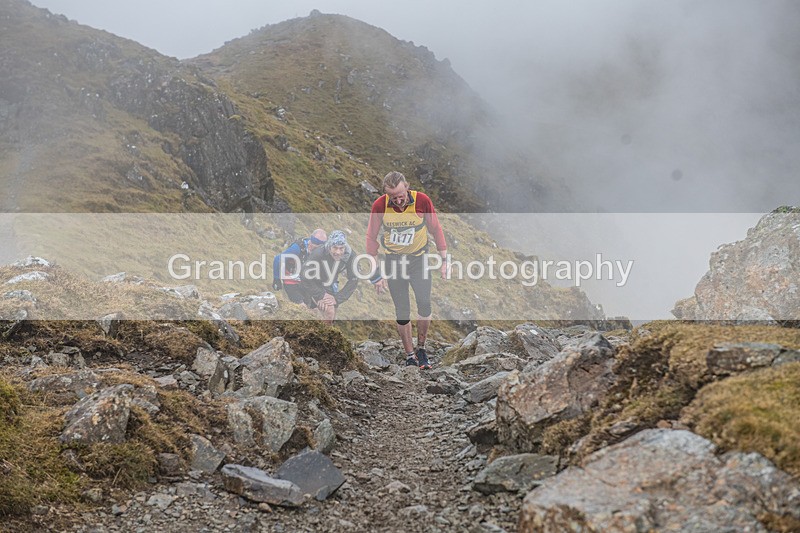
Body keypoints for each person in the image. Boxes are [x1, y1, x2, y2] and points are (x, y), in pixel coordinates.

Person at [366, 171, 448, 369]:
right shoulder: (380, 206)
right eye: (393, 197)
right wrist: (376, 274)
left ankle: (421, 348)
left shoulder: (422, 201)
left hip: (419, 260)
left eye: (401, 194)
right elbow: (371, 239)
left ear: (407, 187)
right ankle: (410, 355)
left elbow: (436, 229)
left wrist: (445, 260)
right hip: (394, 262)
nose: (398, 199)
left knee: (424, 304)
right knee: (402, 311)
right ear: (387, 195)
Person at [299, 230, 360, 324]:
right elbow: (304, 276)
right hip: (314, 282)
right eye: (335, 248)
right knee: (329, 311)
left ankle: (323, 331)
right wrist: (321, 295)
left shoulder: (350, 256)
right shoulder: (319, 253)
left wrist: (337, 298)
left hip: (330, 282)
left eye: (341, 248)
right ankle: (323, 336)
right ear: (329, 246)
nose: (338, 252)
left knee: (332, 314)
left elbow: (353, 280)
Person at [272, 229, 327, 304]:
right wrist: (276, 279)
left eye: (319, 246)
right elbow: (278, 259)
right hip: (290, 281)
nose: (314, 246)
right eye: (314, 242)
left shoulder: (321, 253)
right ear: (311, 240)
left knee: (310, 310)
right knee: (302, 308)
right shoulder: (297, 248)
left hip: (305, 283)